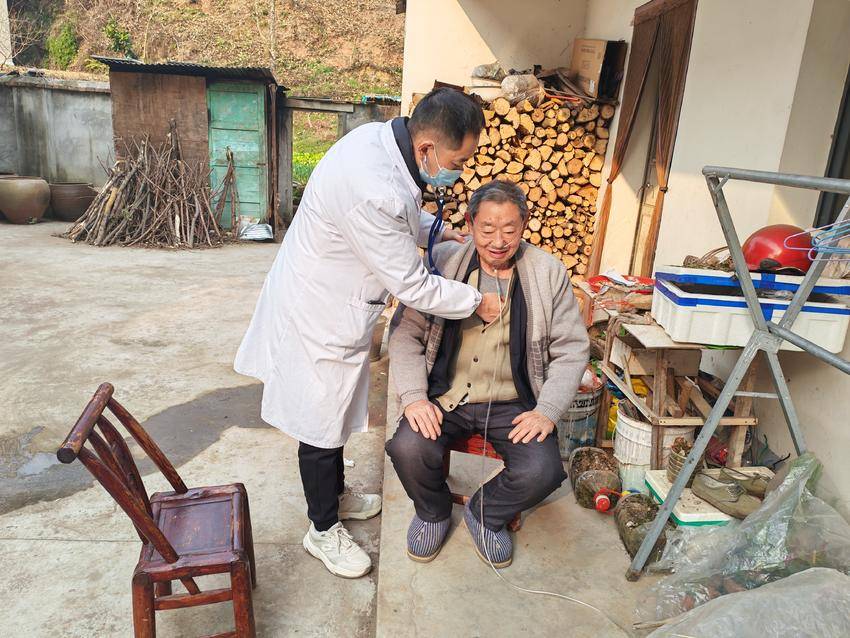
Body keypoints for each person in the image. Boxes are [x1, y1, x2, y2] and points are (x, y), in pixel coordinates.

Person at [234, 88, 502, 578]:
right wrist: (476, 301)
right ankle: (322, 529)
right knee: (319, 424)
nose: (458, 171)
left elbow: (404, 215)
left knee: (334, 415)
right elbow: (412, 283)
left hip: (333, 301)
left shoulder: (381, 143)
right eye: (458, 161)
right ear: (427, 148)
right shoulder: (371, 186)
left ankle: (336, 496)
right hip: (317, 314)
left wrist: (439, 231)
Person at [385, 180, 589, 568]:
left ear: (524, 225)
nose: (498, 241)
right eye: (488, 229)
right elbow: (405, 332)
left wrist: (547, 410)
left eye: (509, 229)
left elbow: (572, 348)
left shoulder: (547, 272)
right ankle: (433, 512)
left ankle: (486, 513)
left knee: (543, 470)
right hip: (448, 396)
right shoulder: (443, 263)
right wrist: (413, 397)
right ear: (470, 224)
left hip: (513, 402)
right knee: (408, 448)